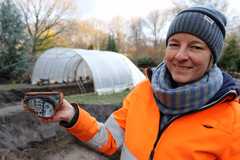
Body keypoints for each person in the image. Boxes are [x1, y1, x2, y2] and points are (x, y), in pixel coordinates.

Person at [39, 4, 240, 160]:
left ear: (212, 58)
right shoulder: (143, 91)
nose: (180, 55)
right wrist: (73, 116)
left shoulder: (232, 119)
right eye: (174, 44)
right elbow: (109, 139)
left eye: (196, 47)